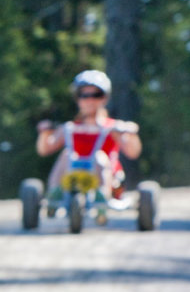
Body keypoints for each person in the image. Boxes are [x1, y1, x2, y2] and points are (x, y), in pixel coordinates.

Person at [35, 69, 143, 209]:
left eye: (96, 95)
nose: (90, 100)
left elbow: (133, 153)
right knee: (66, 154)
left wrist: (131, 134)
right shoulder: (70, 128)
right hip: (75, 179)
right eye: (84, 95)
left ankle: (101, 198)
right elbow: (44, 150)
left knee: (99, 157)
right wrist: (44, 132)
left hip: (112, 183)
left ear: (104, 98)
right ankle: (55, 194)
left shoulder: (112, 127)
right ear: (77, 98)